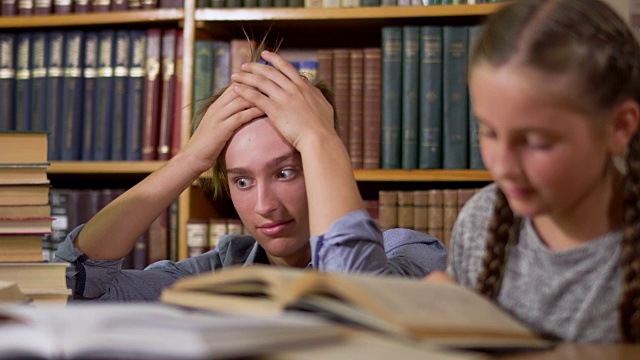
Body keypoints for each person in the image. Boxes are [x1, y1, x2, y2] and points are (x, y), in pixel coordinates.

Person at [54, 42, 447, 302]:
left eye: (286, 173)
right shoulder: (222, 271)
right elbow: (80, 284)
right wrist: (189, 161)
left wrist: (318, 136)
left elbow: (353, 300)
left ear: (323, 165)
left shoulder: (410, 252)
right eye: (242, 181)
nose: (264, 206)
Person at [427, 0, 640, 343]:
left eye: (537, 142)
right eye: (489, 133)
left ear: (619, 127)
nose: (502, 167)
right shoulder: (480, 222)